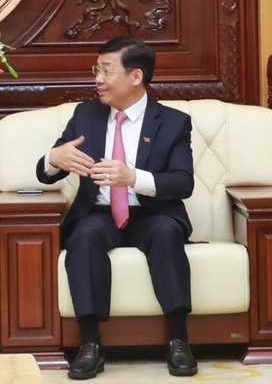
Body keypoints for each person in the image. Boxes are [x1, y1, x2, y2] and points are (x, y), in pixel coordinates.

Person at [36, 36, 197, 380]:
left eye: (107, 71)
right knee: (83, 237)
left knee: (167, 233)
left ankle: (179, 340)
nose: (98, 79)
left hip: (151, 213)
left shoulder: (173, 122)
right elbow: (47, 172)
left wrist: (133, 177)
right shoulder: (86, 114)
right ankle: (90, 345)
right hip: (99, 213)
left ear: (136, 76)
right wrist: (53, 158)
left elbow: (183, 182)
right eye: (97, 70)